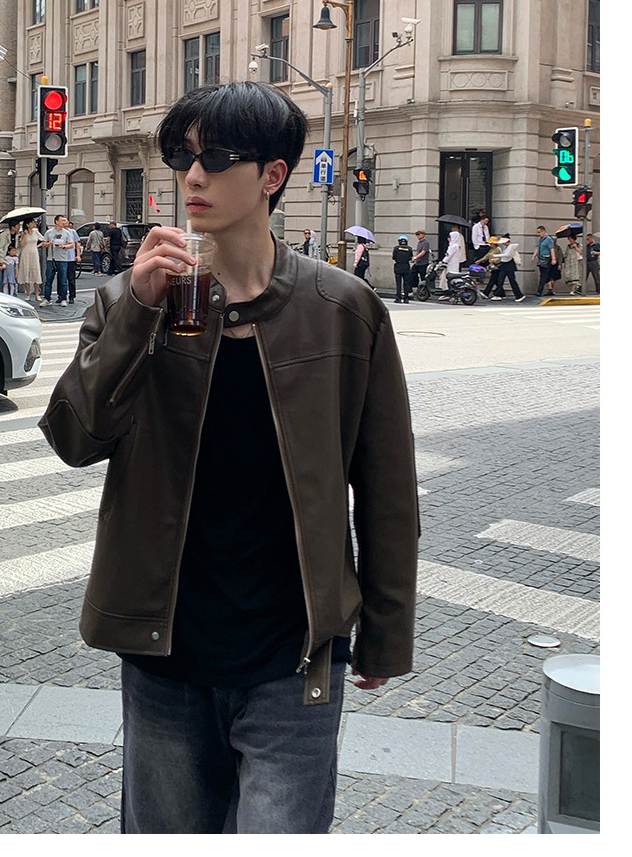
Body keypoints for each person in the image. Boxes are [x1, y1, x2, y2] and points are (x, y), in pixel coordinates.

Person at [38, 81, 419, 835]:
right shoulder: (130, 300)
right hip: (167, 648)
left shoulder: (343, 309)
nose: (193, 175)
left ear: (272, 175)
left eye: (215, 157)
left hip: (294, 654)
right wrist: (138, 310)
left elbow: (386, 487)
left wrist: (385, 631)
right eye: (183, 157)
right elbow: (75, 438)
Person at [39, 214, 72, 307]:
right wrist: (49, 243)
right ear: (56, 221)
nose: (64, 222)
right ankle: (47, 298)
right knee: (48, 279)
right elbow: (43, 243)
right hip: (51, 258)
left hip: (62, 259)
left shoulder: (67, 233)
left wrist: (64, 246)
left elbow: (71, 244)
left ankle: (63, 298)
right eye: (62, 220)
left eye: (65, 221)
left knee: (63, 280)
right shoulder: (49, 232)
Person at [489, 234, 526, 301]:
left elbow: (507, 255)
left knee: (511, 281)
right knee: (500, 280)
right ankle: (498, 294)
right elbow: (505, 256)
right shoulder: (507, 247)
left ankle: (519, 295)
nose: (503, 243)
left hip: (509, 265)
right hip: (505, 265)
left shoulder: (511, 247)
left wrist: (495, 256)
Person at [17, 217, 44, 302]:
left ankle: (37, 294)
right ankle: (28, 294)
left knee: (36, 272)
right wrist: (25, 235)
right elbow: (22, 244)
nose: (33, 224)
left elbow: (43, 240)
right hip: (25, 253)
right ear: (27, 224)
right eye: (32, 223)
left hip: (34, 252)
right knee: (26, 272)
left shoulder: (36, 232)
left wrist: (37, 246)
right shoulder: (23, 233)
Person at [0, 219, 20, 293]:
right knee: (0, 278)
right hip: (2, 257)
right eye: (18, 226)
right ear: (13, 227)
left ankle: (12, 294)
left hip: (11, 259)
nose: (19, 227)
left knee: (11, 278)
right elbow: (0, 248)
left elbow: (18, 247)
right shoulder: (4, 234)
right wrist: (2, 260)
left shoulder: (18, 235)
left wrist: (16, 254)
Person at [532, 225, 558, 297]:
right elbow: (537, 247)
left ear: (544, 231)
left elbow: (552, 249)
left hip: (546, 259)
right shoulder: (540, 240)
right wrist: (534, 255)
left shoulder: (549, 239)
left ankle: (539, 291)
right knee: (546, 275)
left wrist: (553, 259)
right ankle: (550, 289)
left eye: (539, 232)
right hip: (541, 258)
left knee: (543, 275)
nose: (539, 234)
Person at [391, 235, 413, 302]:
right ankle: (406, 298)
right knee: (406, 283)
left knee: (398, 283)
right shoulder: (409, 249)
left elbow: (393, 257)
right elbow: (410, 258)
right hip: (406, 267)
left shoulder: (396, 248)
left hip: (398, 266)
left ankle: (398, 298)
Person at [65, 220, 82, 303]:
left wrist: (78, 255)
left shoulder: (72, 232)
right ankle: (61, 296)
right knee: (61, 278)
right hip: (61, 258)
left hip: (71, 257)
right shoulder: (59, 232)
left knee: (71, 278)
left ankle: (72, 296)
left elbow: (77, 244)